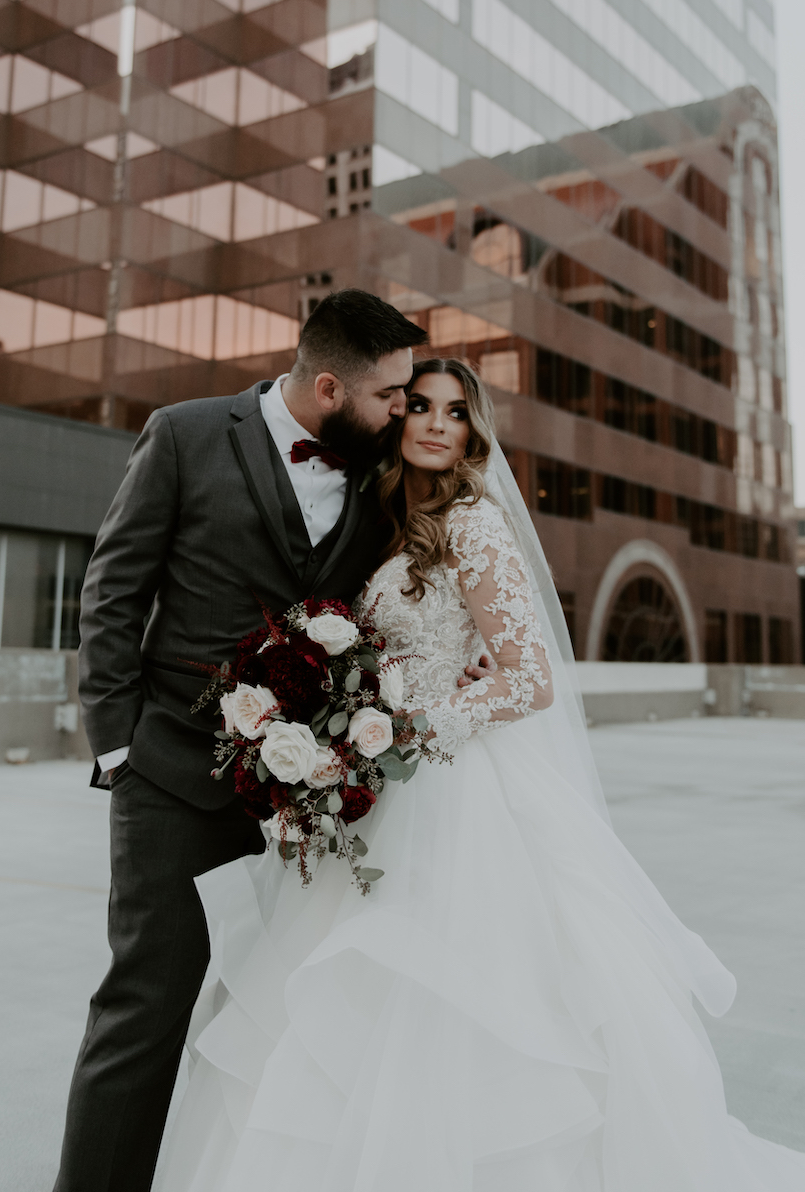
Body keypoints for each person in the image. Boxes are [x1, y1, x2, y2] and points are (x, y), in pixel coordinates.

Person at [156, 358, 805, 1192]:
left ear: (473, 431)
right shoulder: (393, 528)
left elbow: (529, 676)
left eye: (455, 412)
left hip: (451, 789)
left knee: (448, 996)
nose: (433, 422)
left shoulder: (473, 523)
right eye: (419, 406)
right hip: (386, 782)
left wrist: (407, 728)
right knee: (343, 997)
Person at [52, 290, 447, 1192]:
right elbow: (114, 587)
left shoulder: (378, 471)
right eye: (390, 394)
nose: (403, 409)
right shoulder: (186, 433)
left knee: (283, 1023)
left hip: (307, 809)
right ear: (327, 386)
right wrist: (117, 746)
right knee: (145, 1009)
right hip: (170, 781)